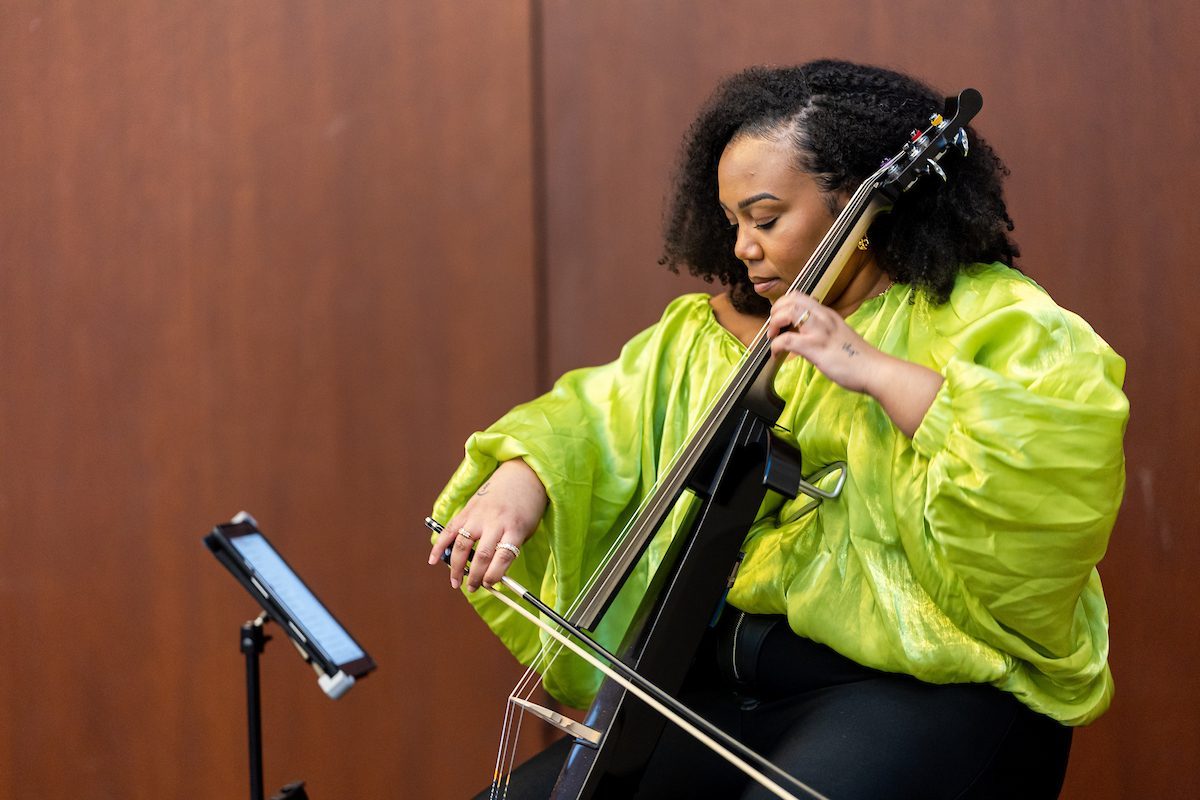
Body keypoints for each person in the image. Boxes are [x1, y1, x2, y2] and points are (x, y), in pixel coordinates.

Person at [427, 60, 1128, 799]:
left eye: (765, 219)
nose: (742, 247)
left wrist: (871, 368)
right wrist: (519, 481)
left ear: (862, 205)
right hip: (728, 697)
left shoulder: (1002, 320)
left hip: (922, 691)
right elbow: (593, 419)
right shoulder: (723, 339)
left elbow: (1047, 470)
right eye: (733, 223)